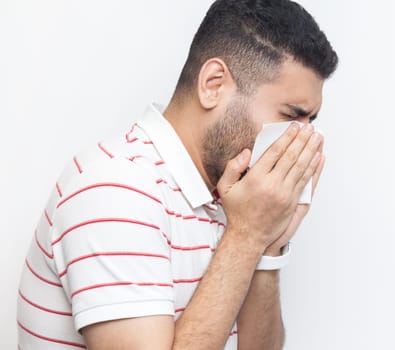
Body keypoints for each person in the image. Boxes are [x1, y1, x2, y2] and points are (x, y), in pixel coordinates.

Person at [16, 0, 338, 348]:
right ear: (214, 84)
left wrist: (268, 246)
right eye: (292, 117)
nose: (304, 140)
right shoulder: (114, 188)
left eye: (311, 123)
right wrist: (247, 235)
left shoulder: (236, 197)